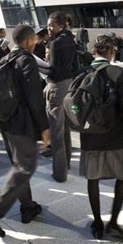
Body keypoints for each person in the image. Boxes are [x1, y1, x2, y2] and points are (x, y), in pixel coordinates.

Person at [0, 24, 50, 237]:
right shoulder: (26, 60)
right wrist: (44, 128)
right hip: (21, 124)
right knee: (25, 168)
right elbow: (34, 98)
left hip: (5, 122)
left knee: (19, 166)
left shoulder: (7, 58)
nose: (36, 42)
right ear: (28, 41)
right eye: (34, 39)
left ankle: (28, 207)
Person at [80, 35, 123, 241]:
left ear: (95, 51)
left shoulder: (82, 71)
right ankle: (113, 223)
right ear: (111, 51)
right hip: (114, 135)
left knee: (92, 178)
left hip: (89, 135)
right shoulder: (118, 72)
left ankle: (98, 224)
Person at [46, 11, 76, 182]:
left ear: (61, 25)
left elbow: (53, 71)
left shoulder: (56, 43)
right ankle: (67, 164)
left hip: (57, 87)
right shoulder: (71, 38)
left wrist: (42, 62)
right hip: (69, 83)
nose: (49, 28)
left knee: (56, 132)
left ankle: (60, 173)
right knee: (65, 129)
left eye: (52, 25)